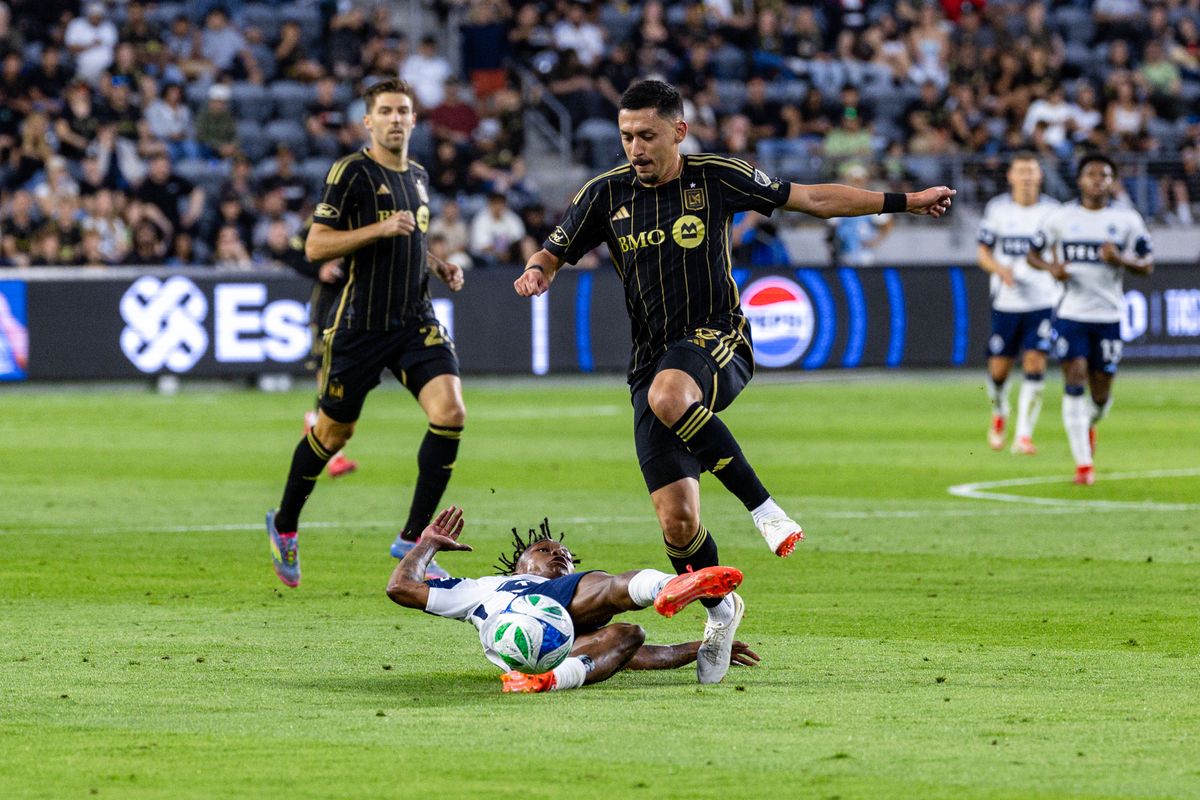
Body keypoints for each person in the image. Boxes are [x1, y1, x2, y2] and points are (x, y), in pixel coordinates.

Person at [513, 79, 954, 682]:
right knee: (678, 523)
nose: (635, 147)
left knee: (672, 393)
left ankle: (765, 509)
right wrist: (537, 273)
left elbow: (814, 199)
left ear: (678, 132)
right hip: (650, 362)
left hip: (718, 340)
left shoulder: (715, 176)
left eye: (646, 135)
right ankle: (721, 611)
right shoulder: (604, 195)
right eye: (625, 136)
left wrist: (903, 201)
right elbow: (552, 251)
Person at [266, 78, 466, 588]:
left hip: (414, 319)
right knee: (334, 434)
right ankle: (285, 524)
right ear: (368, 121)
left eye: (403, 110)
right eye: (386, 111)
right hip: (359, 325)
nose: (396, 118)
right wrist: (378, 228)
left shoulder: (418, 176)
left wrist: (438, 264)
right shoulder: (351, 172)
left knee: (450, 413)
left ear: (414, 120)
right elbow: (314, 246)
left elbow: (410, 241)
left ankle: (413, 537)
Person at [385, 507, 759, 690]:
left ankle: (550, 680)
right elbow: (400, 587)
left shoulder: (573, 591)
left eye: (564, 554)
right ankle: (666, 586)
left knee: (630, 635)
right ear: (520, 565)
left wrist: (699, 648)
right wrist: (429, 544)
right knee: (603, 586)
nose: (559, 554)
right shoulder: (482, 587)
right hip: (521, 615)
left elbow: (627, 657)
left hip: (545, 649)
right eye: (546, 549)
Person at [1027, 153, 1153, 486]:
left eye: (1105, 175)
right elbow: (1032, 253)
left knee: (1100, 393)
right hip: (1071, 314)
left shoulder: (1127, 221)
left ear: (1112, 181)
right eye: (1091, 174)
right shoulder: (1061, 218)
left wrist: (1120, 258)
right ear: (1080, 180)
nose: (1097, 180)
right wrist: (1051, 269)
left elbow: (1147, 264)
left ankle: (1090, 423)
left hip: (1109, 316)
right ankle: (1084, 466)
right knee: (1075, 375)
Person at [976, 152, 1061, 455]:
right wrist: (1000, 270)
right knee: (998, 371)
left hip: (1042, 299)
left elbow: (1061, 252)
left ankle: (1024, 434)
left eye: (1031, 171)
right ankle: (1000, 411)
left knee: (1035, 362)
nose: (1026, 177)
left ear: (1040, 176)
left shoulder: (1054, 212)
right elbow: (983, 253)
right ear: (1010, 176)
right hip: (1007, 301)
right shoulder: (998, 210)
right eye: (1021, 171)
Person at [281, 220, 358, 479]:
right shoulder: (324, 217)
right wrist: (319, 269)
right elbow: (291, 254)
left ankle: (314, 421)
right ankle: (333, 455)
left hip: (357, 308)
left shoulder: (370, 215)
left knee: (345, 382)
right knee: (328, 380)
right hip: (328, 308)